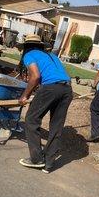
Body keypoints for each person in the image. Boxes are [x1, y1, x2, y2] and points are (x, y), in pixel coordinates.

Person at [18, 34, 73, 173]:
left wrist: (25, 95)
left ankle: (36, 159)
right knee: (56, 126)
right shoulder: (52, 56)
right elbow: (53, 74)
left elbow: (35, 76)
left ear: (26, 47)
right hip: (67, 89)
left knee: (31, 119)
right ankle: (48, 163)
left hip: (51, 88)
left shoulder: (29, 54)